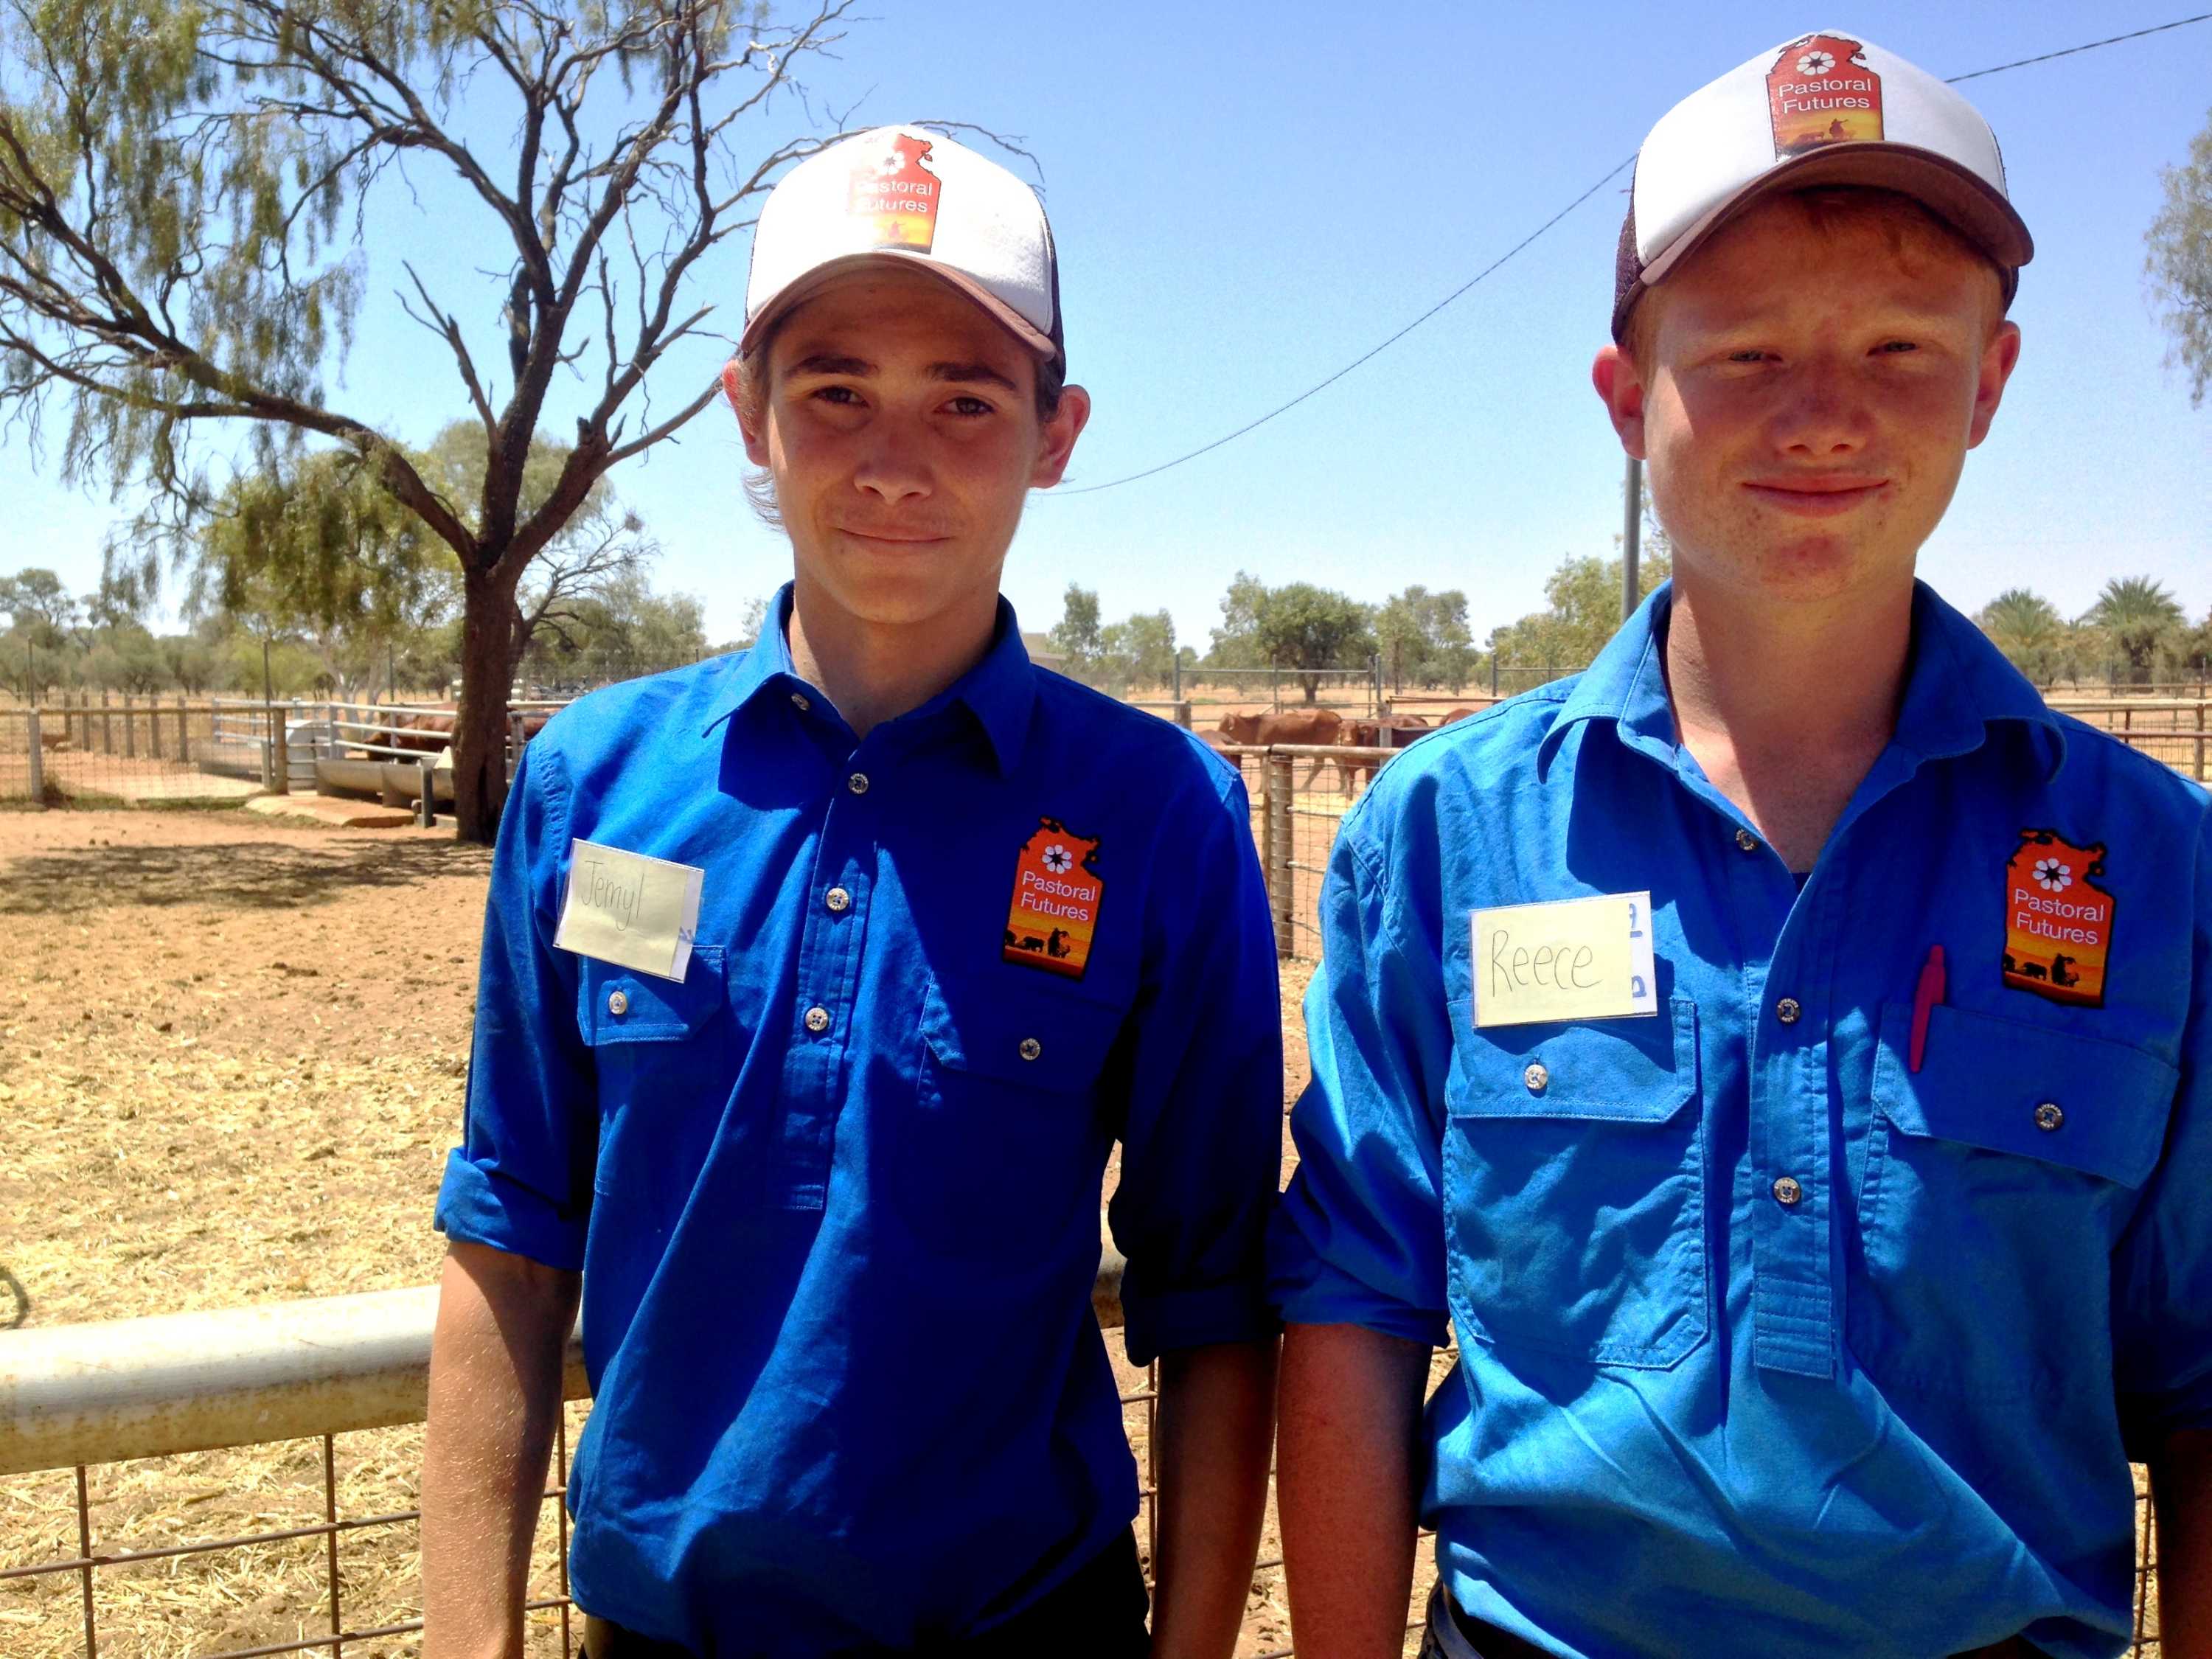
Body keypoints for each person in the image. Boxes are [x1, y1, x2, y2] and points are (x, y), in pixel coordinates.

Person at [1268, 31, 2211, 1659]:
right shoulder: (1443, 836)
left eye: (1902, 348)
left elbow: (2199, 1377)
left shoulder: (2155, 867)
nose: (1825, 416)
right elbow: (1356, 1308)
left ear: (1991, 383)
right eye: (1749, 353)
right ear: (1628, 397)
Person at [420, 126, 1281, 1659]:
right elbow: (510, 1234)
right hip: (661, 1634)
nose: (895, 461)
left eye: (966, 399)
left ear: (1057, 432)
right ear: (747, 413)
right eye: (834, 393)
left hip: (1027, 1630)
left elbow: (1214, 1290)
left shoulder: (1159, 813)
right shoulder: (593, 786)